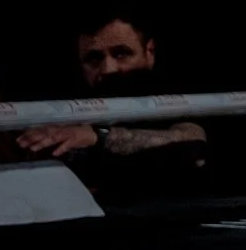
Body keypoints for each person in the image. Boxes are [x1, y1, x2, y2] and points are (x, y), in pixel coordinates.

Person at [13, 11, 208, 186]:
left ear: (150, 52)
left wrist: (98, 137)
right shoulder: (70, 103)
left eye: (121, 54)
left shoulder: (170, 91)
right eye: (94, 58)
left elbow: (193, 143)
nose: (108, 69)